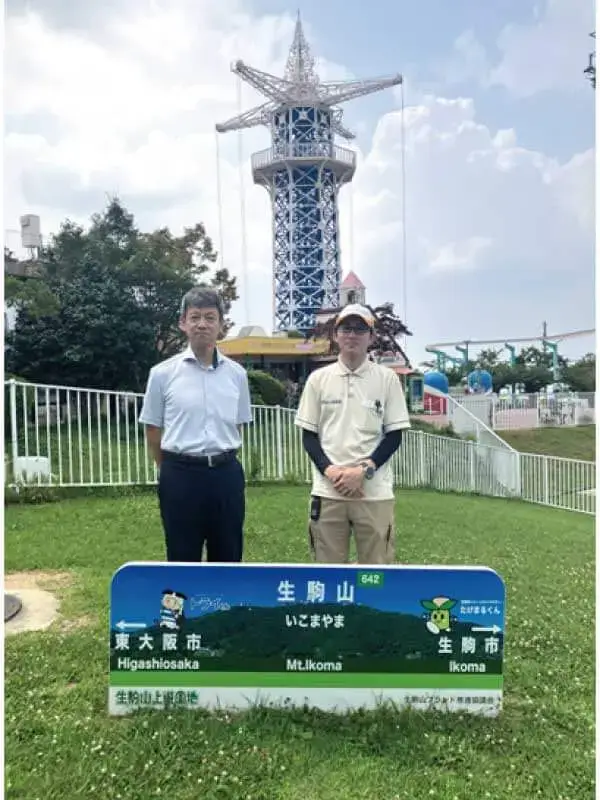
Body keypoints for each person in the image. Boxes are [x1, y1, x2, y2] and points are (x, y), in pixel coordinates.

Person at [139, 286, 252, 563]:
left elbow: (237, 426)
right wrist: (167, 466)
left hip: (226, 475)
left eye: (210, 317)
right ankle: (182, 609)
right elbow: (152, 429)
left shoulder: (237, 375)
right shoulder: (162, 374)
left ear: (221, 325)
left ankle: (224, 607)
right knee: (181, 556)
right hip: (180, 475)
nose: (202, 324)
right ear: (183, 323)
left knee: (228, 555)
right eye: (195, 317)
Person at [295, 303, 410, 564]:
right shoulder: (318, 379)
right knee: (329, 576)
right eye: (346, 328)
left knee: (375, 576)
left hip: (374, 493)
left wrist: (363, 472)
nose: (352, 335)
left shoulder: (387, 379)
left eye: (360, 329)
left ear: (371, 337)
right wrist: (332, 471)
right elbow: (309, 435)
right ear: (336, 335)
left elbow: (394, 435)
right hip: (328, 492)